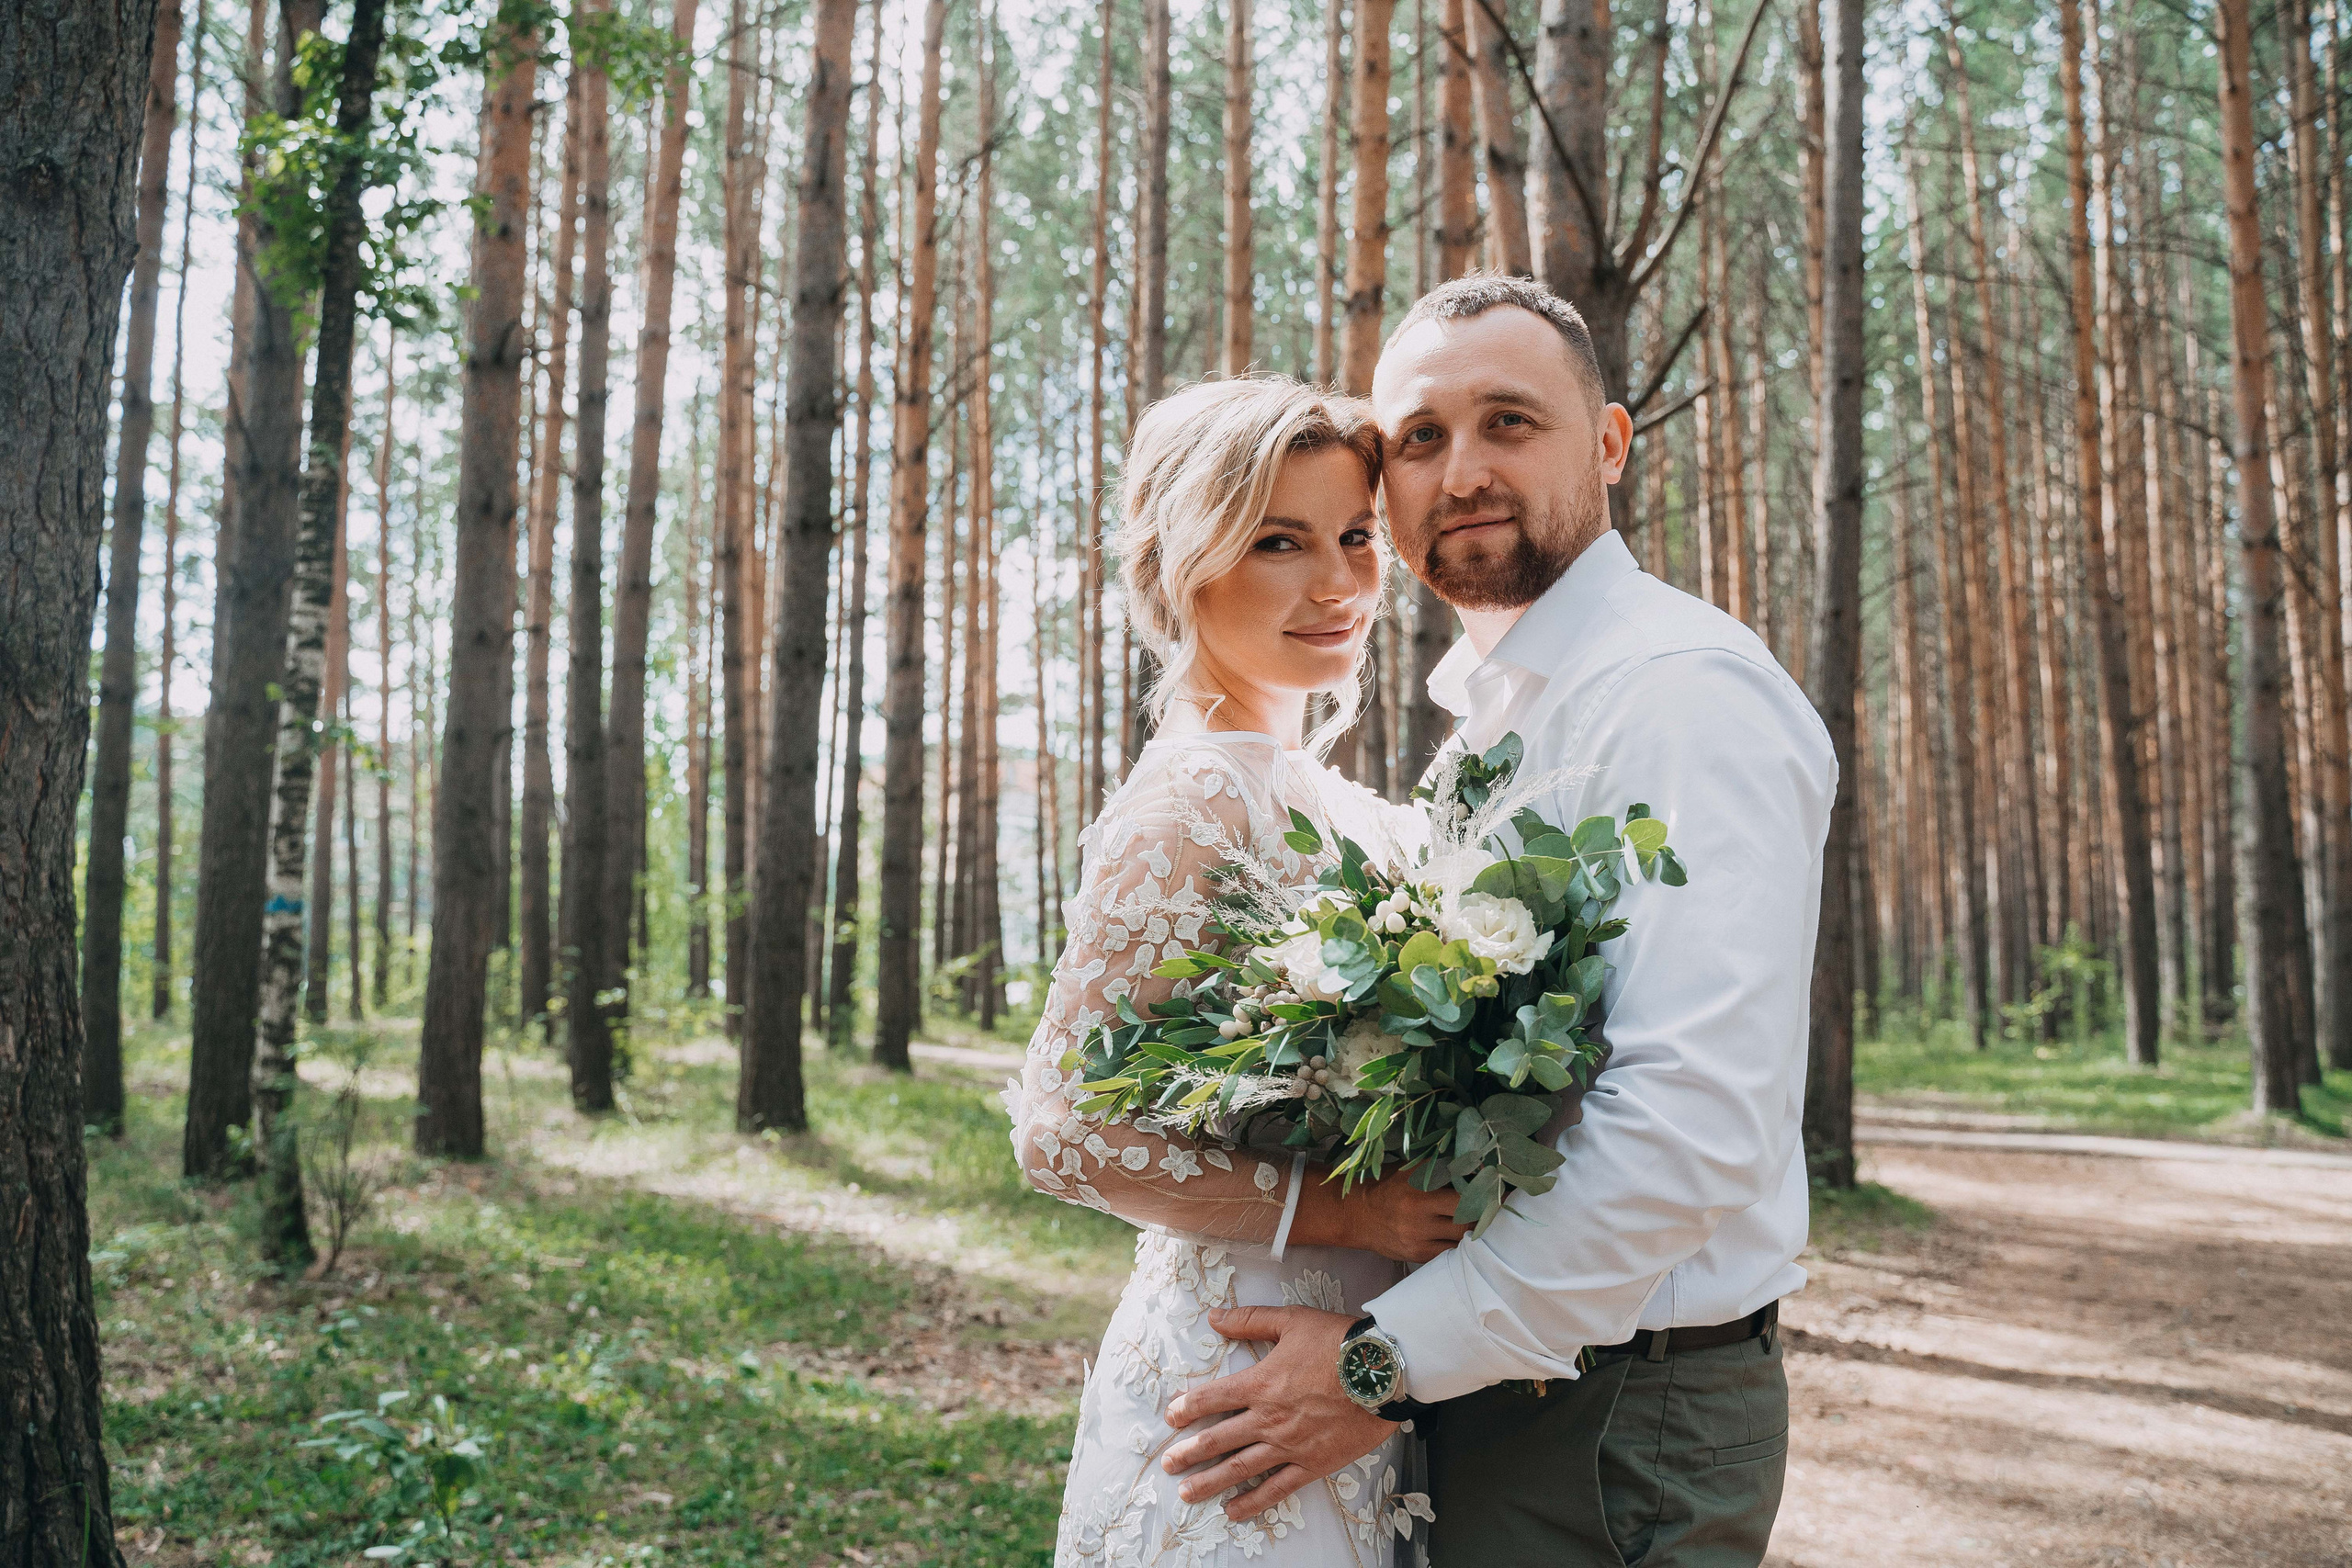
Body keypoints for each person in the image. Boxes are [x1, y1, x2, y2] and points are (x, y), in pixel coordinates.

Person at [1154, 274, 1837, 1566]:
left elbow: (1689, 1127)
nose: (1463, 471)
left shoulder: (1677, 695)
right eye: (1421, 437)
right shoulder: (1502, 711)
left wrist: (1378, 1364)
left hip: (1615, 1413)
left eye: (1509, 422)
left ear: (1611, 443)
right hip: (1501, 1374)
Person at [1006, 376, 1467, 1566]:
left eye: (1356, 537)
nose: (1339, 584)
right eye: (1279, 542)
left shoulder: (1341, 807)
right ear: (1182, 563)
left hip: (1357, 1384)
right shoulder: (1192, 801)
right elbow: (1061, 1134)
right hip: (1236, 1388)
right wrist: (1352, 1210)